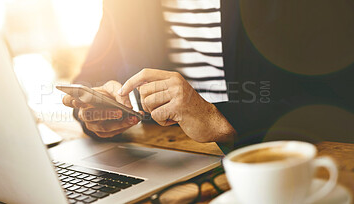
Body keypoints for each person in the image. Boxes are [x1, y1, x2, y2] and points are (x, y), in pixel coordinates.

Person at [63, 0, 353, 152]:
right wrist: (98, 109)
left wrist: (218, 119)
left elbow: (340, 96)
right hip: (168, 158)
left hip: (271, 157)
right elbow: (92, 77)